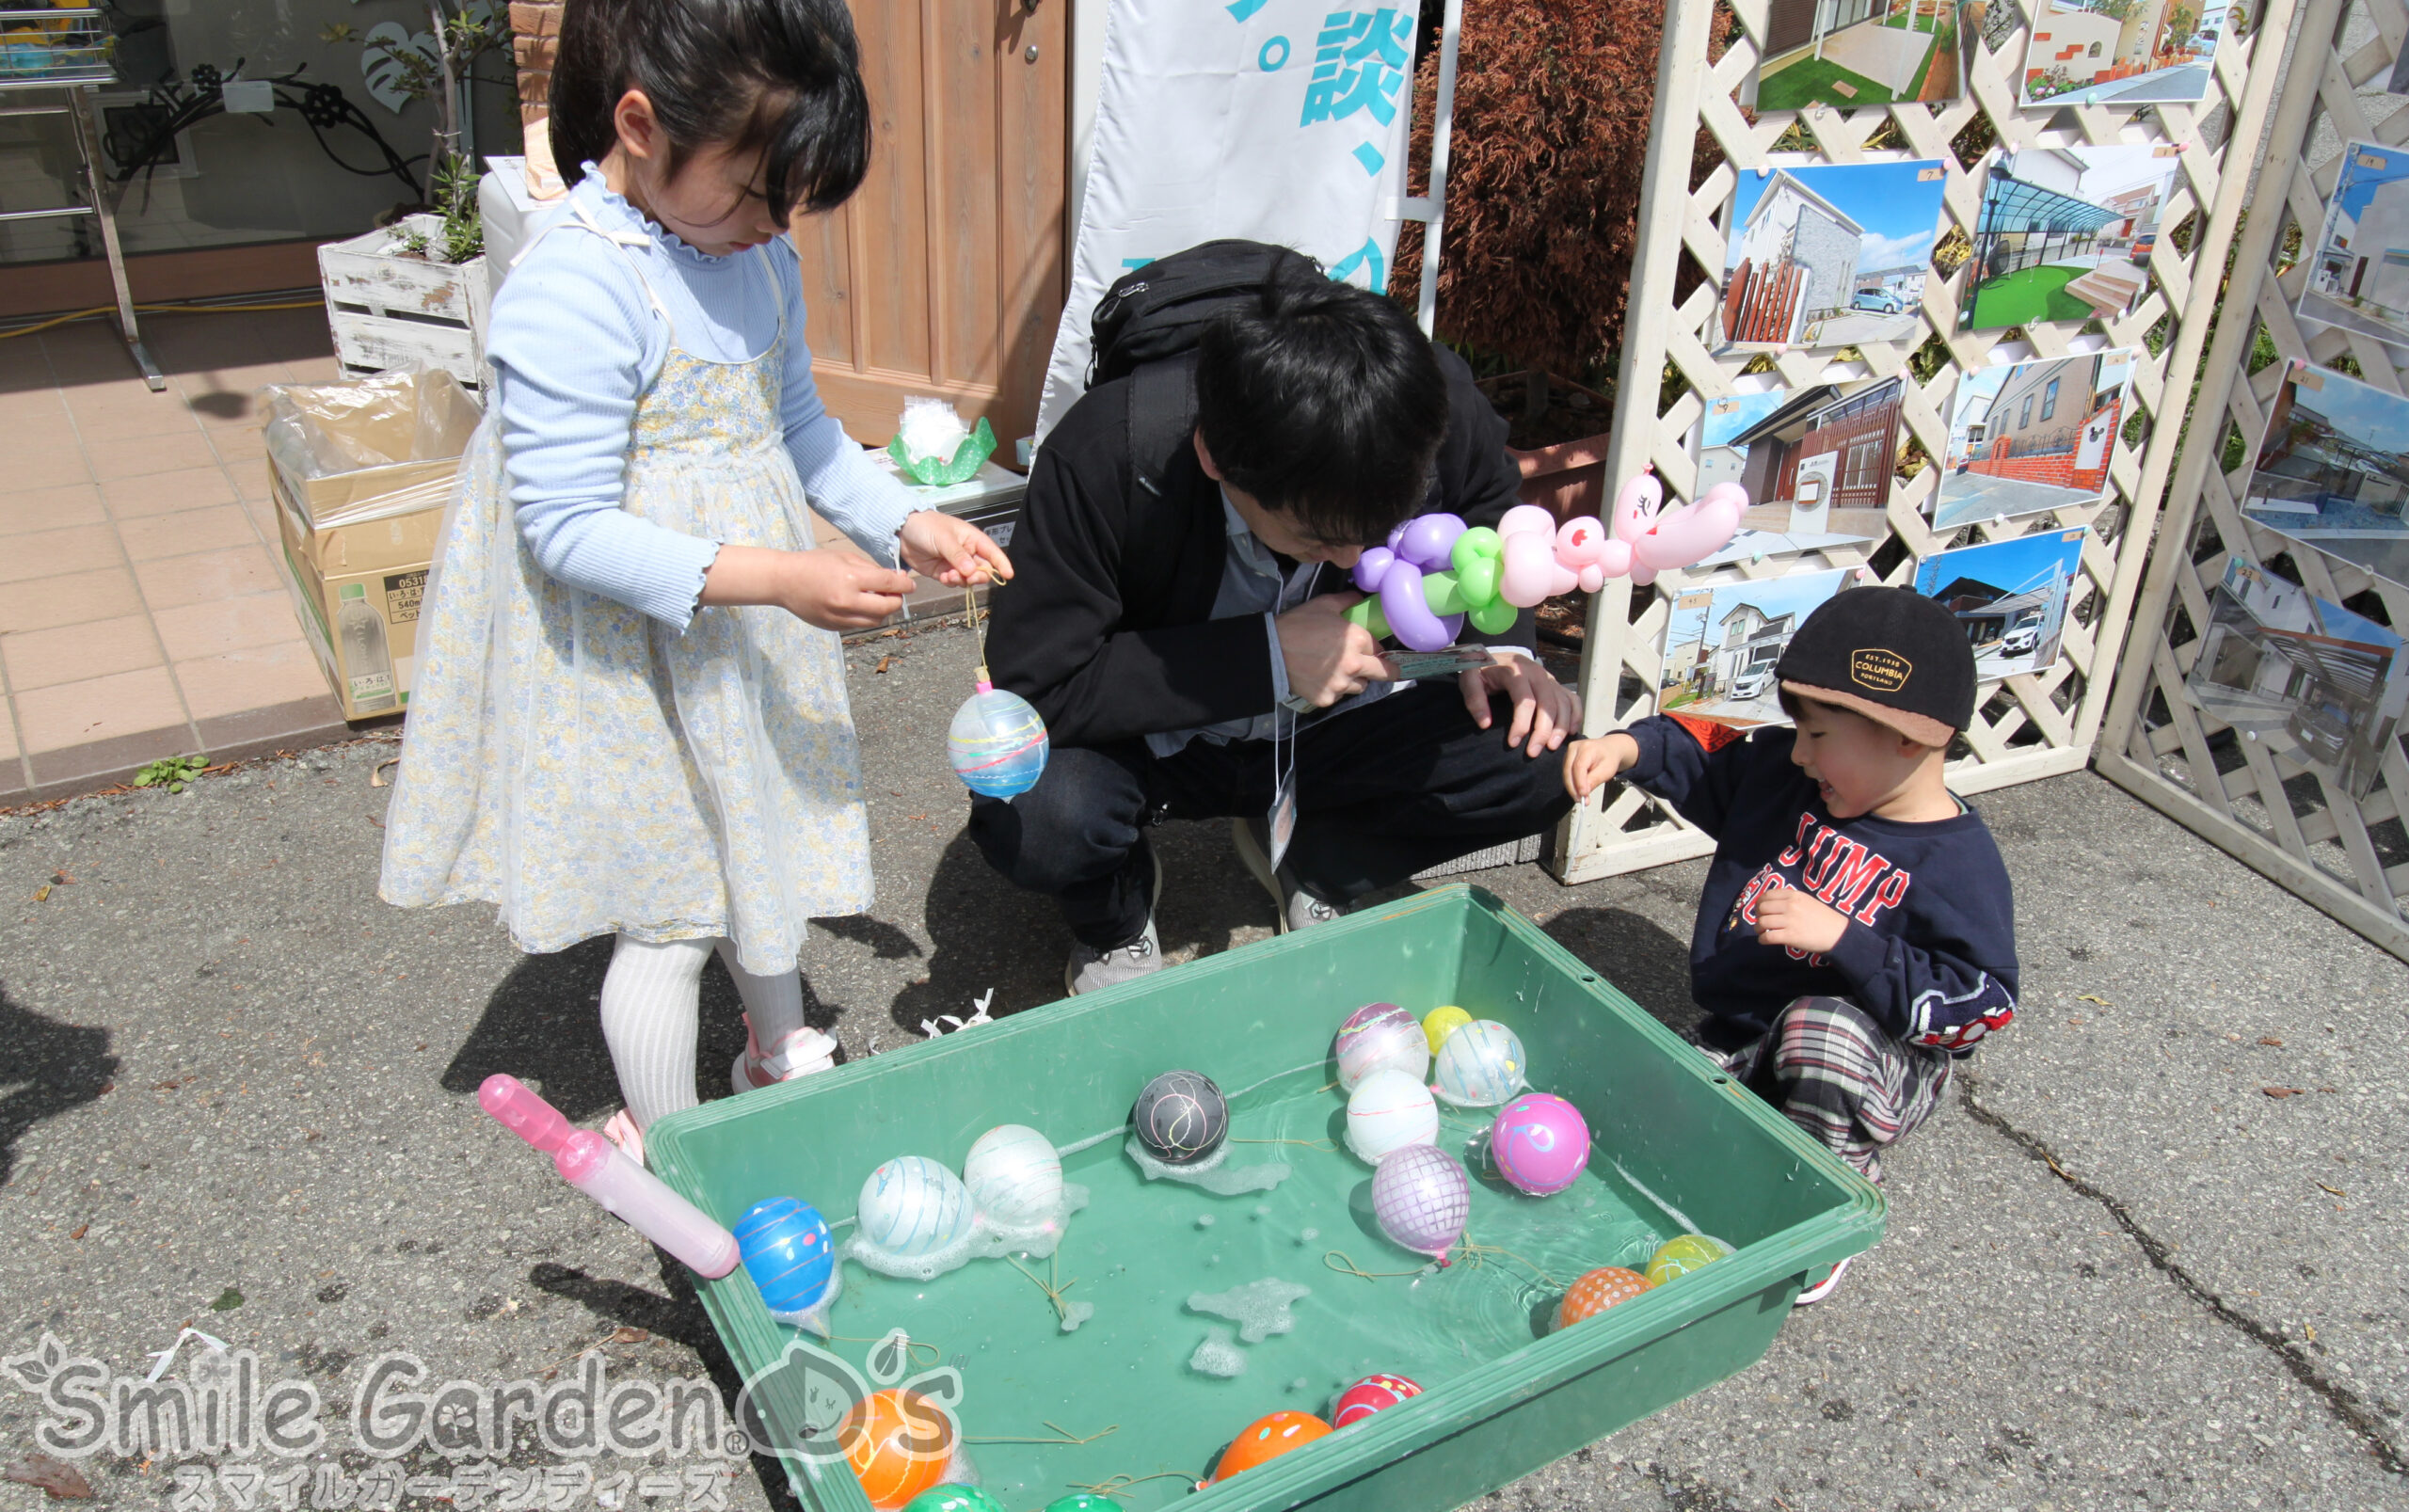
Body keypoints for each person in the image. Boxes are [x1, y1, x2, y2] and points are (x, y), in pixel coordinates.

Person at [378, 0, 1009, 1161]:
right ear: (641, 122)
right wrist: (780, 575)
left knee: (751, 833)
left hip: (742, 618)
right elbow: (565, 526)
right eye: (753, 191)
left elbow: (803, 429)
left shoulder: (753, 251)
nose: (771, 224)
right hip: (621, 646)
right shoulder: (578, 283)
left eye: (788, 202)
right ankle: (674, 1146)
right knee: (671, 904)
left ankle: (778, 1046)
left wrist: (902, 520)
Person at [973, 269, 1582, 994]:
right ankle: (1116, 913)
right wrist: (1265, 655)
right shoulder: (1109, 450)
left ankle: (1317, 855)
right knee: (1033, 811)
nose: (1358, 560)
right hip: (1160, 742)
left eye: (1379, 527)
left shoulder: (1424, 400)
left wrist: (1502, 645)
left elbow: (1490, 505)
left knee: (1541, 748)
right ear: (1213, 457)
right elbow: (1035, 683)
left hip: (1335, 723)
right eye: (1318, 538)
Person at [1561, 587, 2017, 1294]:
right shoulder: (1790, 775)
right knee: (1650, 1119)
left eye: (1820, 736)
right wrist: (1627, 748)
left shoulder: (1956, 862)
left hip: (1876, 1057)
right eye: (1798, 730)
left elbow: (1982, 1003)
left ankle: (1825, 1200)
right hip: (1746, 1030)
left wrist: (1846, 937)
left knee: (1821, 1027)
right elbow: (1704, 748)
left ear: (1908, 737)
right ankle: (1761, 1111)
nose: (1798, 753)